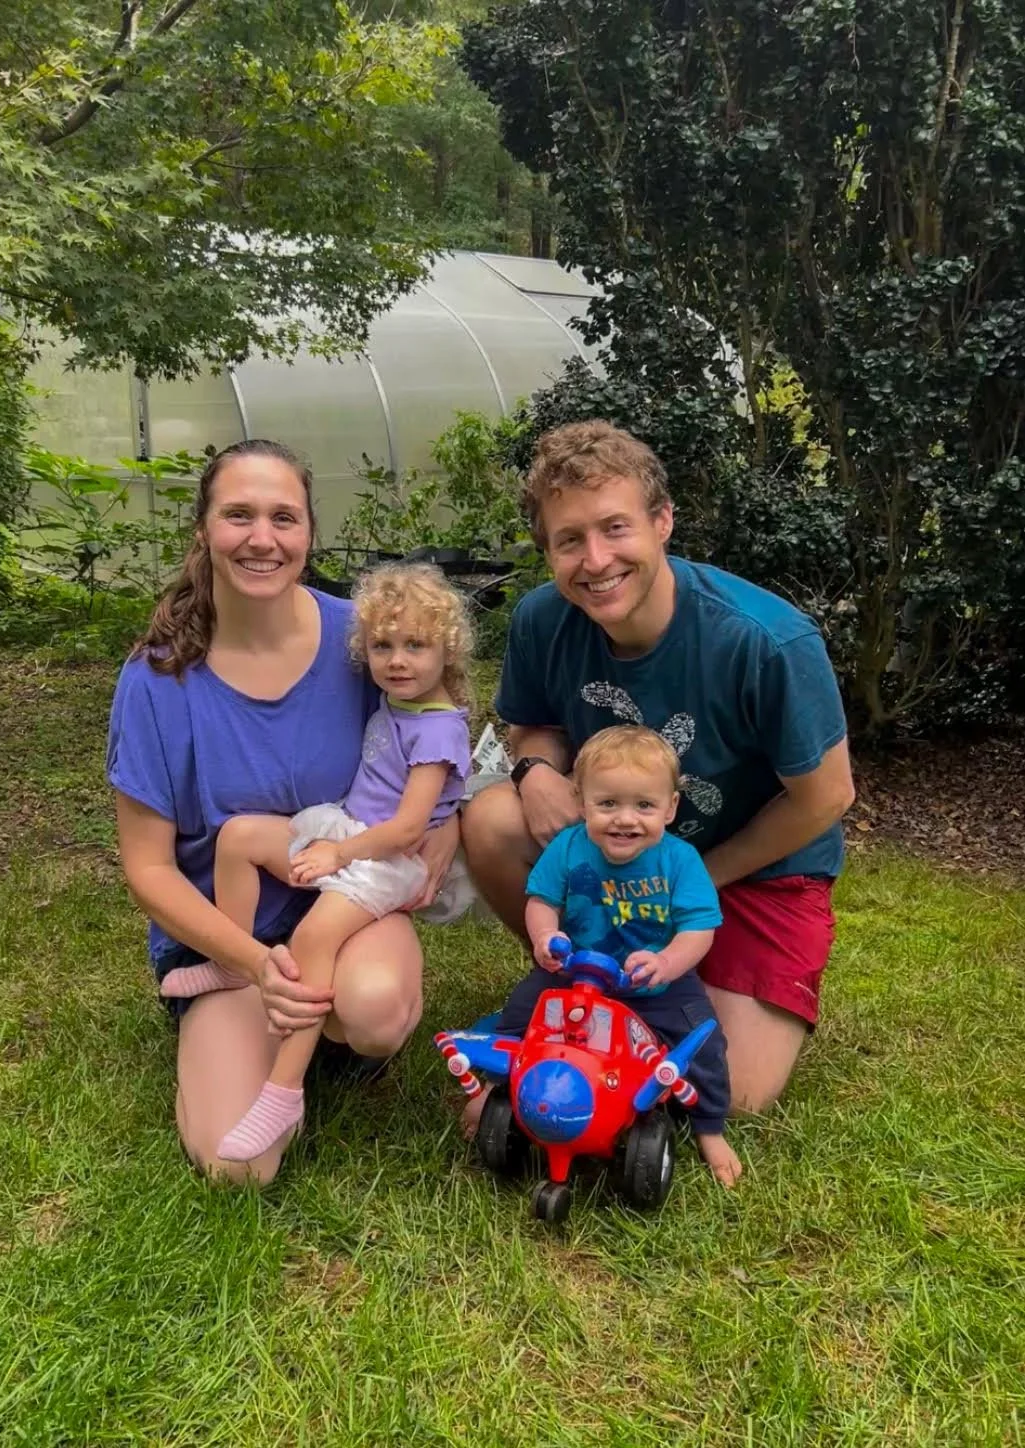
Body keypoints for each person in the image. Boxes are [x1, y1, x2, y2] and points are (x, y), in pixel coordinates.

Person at [462, 421, 855, 1114]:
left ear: (662, 520)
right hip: (619, 851)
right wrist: (535, 771)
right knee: (493, 816)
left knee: (728, 1093)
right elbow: (534, 724)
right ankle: (571, 979)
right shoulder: (540, 620)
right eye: (568, 540)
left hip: (754, 869)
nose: (595, 559)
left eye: (614, 528)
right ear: (546, 551)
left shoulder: (765, 641)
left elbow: (825, 796)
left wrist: (696, 876)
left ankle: (630, 994)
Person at [107, 440, 459, 1186]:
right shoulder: (155, 681)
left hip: (345, 904)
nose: (261, 538)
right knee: (241, 1170)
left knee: (372, 1010)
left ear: (307, 533)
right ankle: (246, 1013)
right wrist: (250, 962)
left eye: (283, 517)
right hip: (227, 943)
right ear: (203, 530)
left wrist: (446, 828)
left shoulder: (365, 641)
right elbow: (147, 869)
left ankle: (335, 1030)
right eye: (238, 515)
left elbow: (437, 737)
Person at [159, 563, 474, 1162]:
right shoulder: (398, 703)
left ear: (447, 651)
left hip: (387, 857)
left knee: (314, 935)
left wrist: (338, 852)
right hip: (351, 830)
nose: (397, 660)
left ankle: (284, 1087)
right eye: (383, 646)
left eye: (415, 645)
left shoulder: (437, 730)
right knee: (240, 839)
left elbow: (409, 826)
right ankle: (231, 962)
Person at [471, 725, 741, 1185]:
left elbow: (699, 928)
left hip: (655, 985)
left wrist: (667, 963)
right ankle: (499, 1086)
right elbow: (541, 901)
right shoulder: (569, 848)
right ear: (581, 802)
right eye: (608, 803)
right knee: (521, 1012)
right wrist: (545, 938)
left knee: (703, 1040)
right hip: (575, 974)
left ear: (670, 808)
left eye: (644, 805)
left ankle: (708, 1125)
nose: (625, 819)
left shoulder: (680, 861)